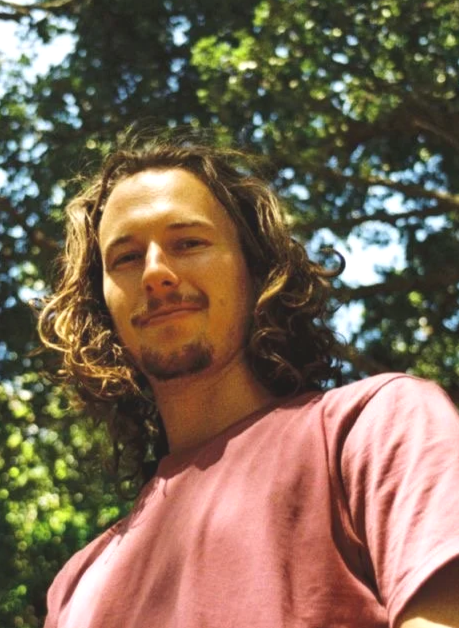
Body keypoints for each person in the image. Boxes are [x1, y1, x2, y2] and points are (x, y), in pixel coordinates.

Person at [37, 138, 459, 628]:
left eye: (188, 243)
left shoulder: (374, 427)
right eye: (126, 258)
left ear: (255, 270)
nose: (155, 273)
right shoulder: (75, 589)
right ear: (103, 305)